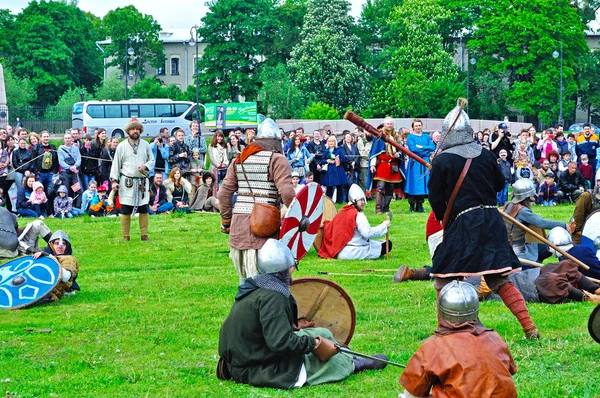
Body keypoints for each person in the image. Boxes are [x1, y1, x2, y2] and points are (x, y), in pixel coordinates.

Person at [428, 100, 539, 339]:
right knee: (499, 278)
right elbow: (499, 184)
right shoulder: (487, 155)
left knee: (444, 278)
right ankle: (530, 328)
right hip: (491, 219)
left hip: (465, 222)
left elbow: (436, 199)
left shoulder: (443, 160)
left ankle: (442, 330)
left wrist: (443, 217)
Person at [218, 238, 388, 389]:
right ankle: (353, 365)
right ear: (285, 269)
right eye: (292, 268)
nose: (293, 272)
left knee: (323, 333)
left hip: (249, 356)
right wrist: (312, 344)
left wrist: (297, 327)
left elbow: (262, 328)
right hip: (257, 368)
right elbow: (280, 343)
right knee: (330, 362)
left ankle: (346, 354)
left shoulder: (257, 287)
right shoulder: (274, 297)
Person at [399, 281, 517, 398]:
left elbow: (412, 395)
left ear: (441, 310)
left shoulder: (433, 348)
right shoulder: (495, 338)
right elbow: (509, 372)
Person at [218, 118, 296, 283]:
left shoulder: (239, 159)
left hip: (239, 226)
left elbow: (224, 193)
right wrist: (299, 216)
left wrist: (226, 220)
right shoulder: (277, 159)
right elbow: (288, 193)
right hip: (265, 226)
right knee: (268, 283)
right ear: (276, 141)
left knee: (245, 282)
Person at [110, 118, 155, 242]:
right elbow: (115, 164)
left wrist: (145, 166)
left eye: (137, 129)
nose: (135, 131)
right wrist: (114, 180)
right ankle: (126, 236)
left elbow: (152, 160)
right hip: (127, 183)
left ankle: (144, 235)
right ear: (128, 131)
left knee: (144, 209)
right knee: (125, 210)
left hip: (142, 183)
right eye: (132, 129)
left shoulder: (145, 145)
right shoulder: (122, 146)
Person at [318, 184, 391, 260]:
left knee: (378, 242)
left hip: (339, 251)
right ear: (354, 200)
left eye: (363, 200)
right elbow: (367, 233)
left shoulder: (343, 211)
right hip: (354, 251)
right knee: (388, 244)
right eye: (360, 200)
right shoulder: (358, 215)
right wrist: (384, 226)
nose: (363, 202)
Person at [503, 179, 568, 264]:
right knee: (549, 250)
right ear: (527, 196)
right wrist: (564, 225)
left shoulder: (509, 205)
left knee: (545, 248)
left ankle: (537, 262)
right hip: (518, 251)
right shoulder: (522, 211)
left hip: (509, 247)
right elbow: (542, 223)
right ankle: (534, 264)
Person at [33, 230, 80, 302]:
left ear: (67, 246)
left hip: (52, 292)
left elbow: (65, 277)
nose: (60, 246)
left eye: (63, 244)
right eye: (57, 243)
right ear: (51, 245)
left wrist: (50, 257)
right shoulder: (46, 257)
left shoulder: (69, 259)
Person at [369, 117, 403, 214]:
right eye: (388, 123)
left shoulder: (396, 137)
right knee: (380, 187)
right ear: (384, 124)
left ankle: (386, 207)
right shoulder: (379, 136)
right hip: (383, 164)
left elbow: (401, 150)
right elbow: (374, 152)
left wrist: (399, 154)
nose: (389, 125)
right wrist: (372, 165)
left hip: (393, 165)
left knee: (390, 188)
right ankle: (378, 209)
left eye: (391, 123)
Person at [405, 119, 435, 212]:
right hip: (415, 162)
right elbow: (413, 149)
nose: (418, 127)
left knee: (423, 184)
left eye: (419, 125)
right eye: (416, 125)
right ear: (413, 127)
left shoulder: (426, 136)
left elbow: (432, 147)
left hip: (425, 162)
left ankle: (420, 205)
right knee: (414, 183)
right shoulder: (410, 137)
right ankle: (412, 205)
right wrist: (426, 151)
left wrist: (422, 147)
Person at [57, 132, 82, 204]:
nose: (67, 140)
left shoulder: (76, 148)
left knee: (77, 189)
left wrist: (75, 166)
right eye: (66, 138)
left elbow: (79, 159)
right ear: (64, 140)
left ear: (71, 139)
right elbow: (61, 161)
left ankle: (77, 206)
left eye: (69, 138)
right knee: (66, 189)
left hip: (74, 173)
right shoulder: (61, 149)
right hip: (65, 173)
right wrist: (70, 167)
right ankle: (66, 205)